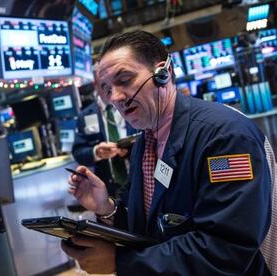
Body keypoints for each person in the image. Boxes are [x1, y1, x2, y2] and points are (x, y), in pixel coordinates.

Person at [62, 29, 275, 275]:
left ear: (163, 73)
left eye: (125, 79)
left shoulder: (224, 138)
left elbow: (226, 248)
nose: (115, 97)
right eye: (107, 88)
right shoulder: (147, 140)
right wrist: (106, 207)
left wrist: (120, 263)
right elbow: (149, 225)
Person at [71, 87, 133, 197]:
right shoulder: (86, 115)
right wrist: (96, 152)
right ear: (96, 83)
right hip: (109, 187)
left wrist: (128, 151)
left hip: (138, 179)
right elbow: (78, 152)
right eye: (104, 84)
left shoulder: (131, 104)